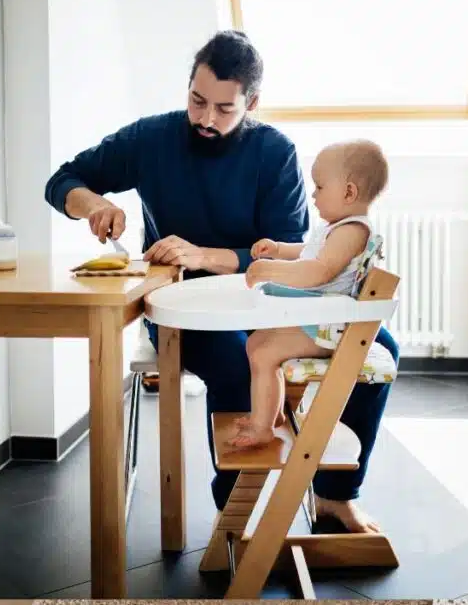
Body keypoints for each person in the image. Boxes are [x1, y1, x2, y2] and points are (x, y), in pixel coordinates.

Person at [43, 29, 397, 533]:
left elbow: (288, 248)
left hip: (270, 305)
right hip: (181, 309)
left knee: (379, 344)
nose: (206, 118)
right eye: (197, 100)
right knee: (234, 362)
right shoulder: (151, 138)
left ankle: (335, 499)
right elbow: (62, 181)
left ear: (251, 102)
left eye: (224, 109)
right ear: (188, 87)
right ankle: (235, 517)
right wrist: (94, 204)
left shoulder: (275, 153)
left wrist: (206, 255)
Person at [231, 140, 389, 449]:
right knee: (258, 343)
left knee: (264, 352)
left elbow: (319, 270)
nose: (313, 195)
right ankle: (270, 414)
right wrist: (278, 250)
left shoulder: (351, 231)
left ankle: (263, 426)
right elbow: (309, 253)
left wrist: (269, 269)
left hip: (330, 330)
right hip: (320, 321)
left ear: (348, 193)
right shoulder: (337, 229)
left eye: (319, 187)